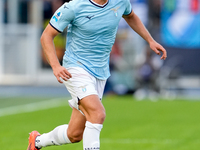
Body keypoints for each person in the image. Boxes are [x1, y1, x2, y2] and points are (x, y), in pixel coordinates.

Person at [27, 0, 167, 150]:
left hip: (100, 72)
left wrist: (150, 41)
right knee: (98, 113)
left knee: (74, 134)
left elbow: (131, 16)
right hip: (76, 68)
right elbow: (46, 36)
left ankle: (37, 142)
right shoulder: (73, 7)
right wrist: (55, 66)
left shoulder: (121, 2)